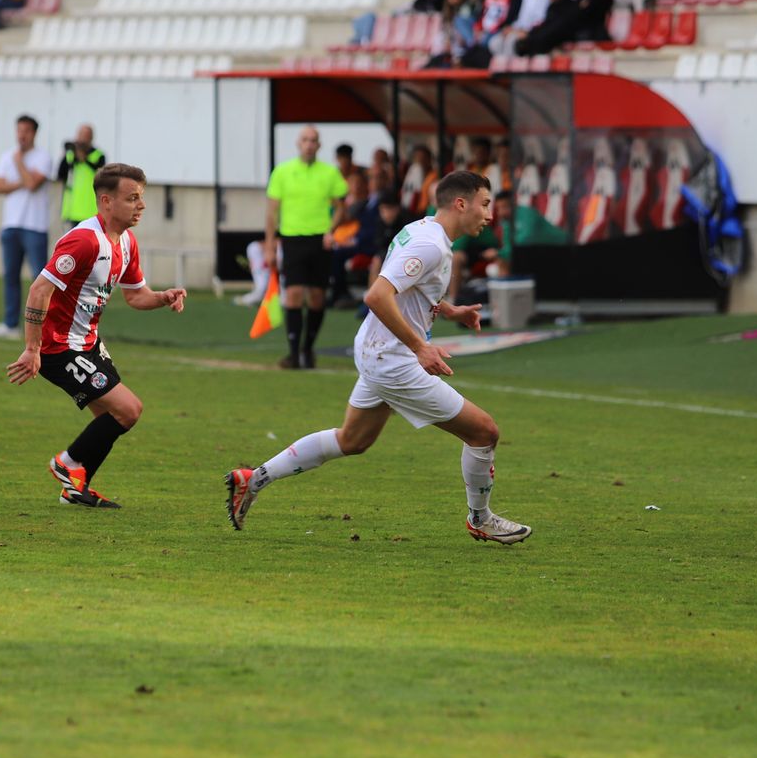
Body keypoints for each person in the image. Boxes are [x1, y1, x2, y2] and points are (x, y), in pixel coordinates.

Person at [224, 170, 532, 546]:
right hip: (393, 359)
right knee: (484, 432)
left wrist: (449, 311)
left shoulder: (422, 229)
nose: (490, 215)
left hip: (375, 350)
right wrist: (421, 347)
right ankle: (481, 519)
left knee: (352, 440)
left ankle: (251, 479)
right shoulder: (431, 245)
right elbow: (377, 295)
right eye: (485, 204)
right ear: (460, 203)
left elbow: (408, 289)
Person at [7, 163, 186, 508]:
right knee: (129, 410)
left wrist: (162, 297)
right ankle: (67, 464)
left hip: (89, 346)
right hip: (58, 348)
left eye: (141, 198)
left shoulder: (126, 242)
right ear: (106, 201)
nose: (141, 205)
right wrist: (33, 349)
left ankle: (76, 488)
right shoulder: (84, 240)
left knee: (112, 417)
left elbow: (136, 295)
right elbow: (38, 290)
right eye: (131, 198)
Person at [265, 126, 350, 369]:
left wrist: (331, 230)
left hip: (319, 240)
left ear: (319, 145)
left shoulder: (330, 173)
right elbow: (271, 213)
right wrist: (270, 245)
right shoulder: (283, 171)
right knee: (292, 294)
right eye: (305, 140)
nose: (309, 144)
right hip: (292, 238)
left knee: (316, 297)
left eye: (314, 140)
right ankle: (293, 353)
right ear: (298, 143)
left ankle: (308, 349)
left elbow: (341, 206)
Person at [0, 115, 53, 340]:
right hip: (11, 225)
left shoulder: (42, 157)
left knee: (40, 279)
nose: (21, 135)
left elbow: (33, 184)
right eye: (19, 130)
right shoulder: (7, 156)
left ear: (34, 133)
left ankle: (44, 326)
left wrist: (19, 164)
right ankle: (10, 323)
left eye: (26, 131)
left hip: (35, 226)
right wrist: (21, 181)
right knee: (11, 276)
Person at [56, 123, 105, 227]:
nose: (82, 140)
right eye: (80, 135)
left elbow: (102, 174)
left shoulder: (98, 155)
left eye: (85, 136)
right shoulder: (70, 155)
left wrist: (84, 158)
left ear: (91, 138)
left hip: (91, 211)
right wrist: (67, 154)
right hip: (72, 210)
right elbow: (60, 175)